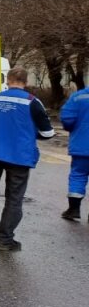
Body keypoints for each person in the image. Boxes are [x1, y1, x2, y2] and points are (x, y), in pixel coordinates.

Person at [0, 67, 55, 251]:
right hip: (19, 156)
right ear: (26, 82)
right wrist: (29, 134)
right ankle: (4, 241)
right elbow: (48, 133)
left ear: (7, 80)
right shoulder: (32, 102)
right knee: (14, 199)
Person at [60, 83, 89, 221]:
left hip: (82, 145)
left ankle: (74, 209)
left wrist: (72, 127)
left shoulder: (78, 97)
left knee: (78, 175)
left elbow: (67, 119)